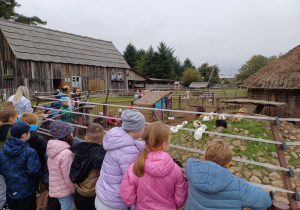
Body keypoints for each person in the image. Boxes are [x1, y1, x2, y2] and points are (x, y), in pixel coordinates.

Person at [184, 139, 272, 210]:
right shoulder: (239, 186)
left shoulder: (191, 168)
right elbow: (266, 201)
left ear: (204, 157)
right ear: (228, 164)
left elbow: (191, 160)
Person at [120, 121, 188, 209]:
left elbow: (128, 198)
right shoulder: (176, 169)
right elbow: (180, 199)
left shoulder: (135, 167)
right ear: (164, 145)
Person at [95, 109, 145, 210]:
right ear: (137, 129)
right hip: (114, 203)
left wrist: (145, 145)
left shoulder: (117, 138)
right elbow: (131, 182)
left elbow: (131, 144)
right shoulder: (130, 152)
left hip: (103, 195)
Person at [0, 122, 41, 210]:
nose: (30, 133)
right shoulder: (29, 152)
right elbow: (34, 171)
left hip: (10, 189)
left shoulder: (2, 151)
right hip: (27, 191)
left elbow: (1, 169)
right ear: (23, 135)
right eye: (29, 132)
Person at [70, 123, 106, 210]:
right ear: (104, 137)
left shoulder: (78, 151)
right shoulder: (103, 154)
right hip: (94, 194)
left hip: (79, 192)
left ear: (86, 138)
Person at [20, 113, 48, 210]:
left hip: (23, 169)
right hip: (38, 168)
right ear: (33, 124)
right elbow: (44, 154)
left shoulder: (18, 137)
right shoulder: (39, 138)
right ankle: (40, 207)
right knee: (44, 189)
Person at [47, 121, 75, 210]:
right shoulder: (66, 153)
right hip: (65, 189)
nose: (72, 135)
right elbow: (68, 176)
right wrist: (74, 189)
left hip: (57, 187)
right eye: (71, 133)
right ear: (66, 135)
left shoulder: (52, 150)